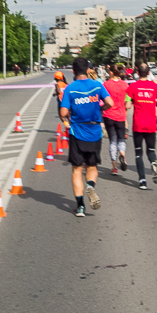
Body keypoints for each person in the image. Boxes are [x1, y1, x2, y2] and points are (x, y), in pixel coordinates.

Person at [59, 57, 113, 217]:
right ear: (89, 70)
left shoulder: (70, 88)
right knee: (92, 167)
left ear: (73, 71)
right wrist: (100, 109)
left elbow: (63, 113)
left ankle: (80, 206)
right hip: (95, 131)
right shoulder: (97, 85)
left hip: (77, 132)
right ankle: (90, 185)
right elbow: (110, 103)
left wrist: (67, 117)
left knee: (76, 170)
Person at [126, 63, 157, 189]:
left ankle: (142, 180)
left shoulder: (132, 87)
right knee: (151, 150)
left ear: (137, 73)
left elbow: (127, 106)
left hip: (138, 123)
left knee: (138, 153)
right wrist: (155, 103)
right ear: (149, 73)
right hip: (151, 123)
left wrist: (131, 101)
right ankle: (154, 163)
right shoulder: (154, 86)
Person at [103, 65, 129, 175]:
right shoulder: (125, 85)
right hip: (121, 116)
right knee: (121, 139)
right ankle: (122, 154)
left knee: (112, 140)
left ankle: (114, 167)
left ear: (112, 72)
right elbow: (128, 104)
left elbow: (102, 100)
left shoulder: (105, 85)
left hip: (109, 115)